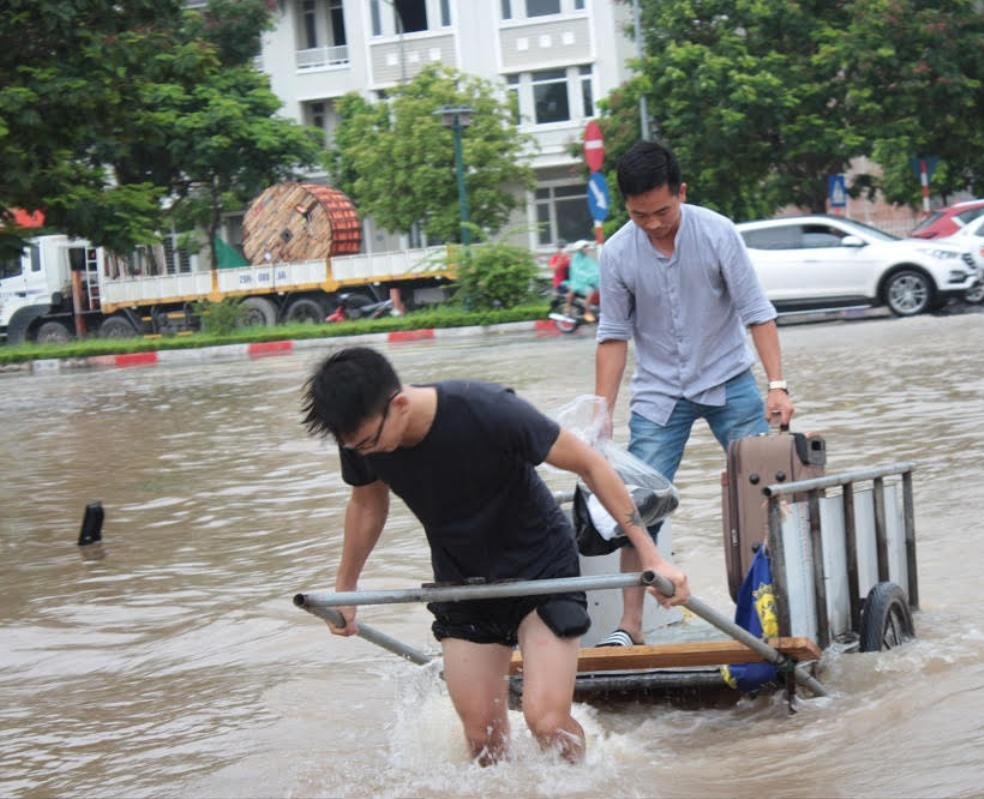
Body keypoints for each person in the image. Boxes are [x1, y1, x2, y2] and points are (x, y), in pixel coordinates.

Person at [300, 347, 689, 765]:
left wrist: (651, 555)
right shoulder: (362, 440)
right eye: (354, 447)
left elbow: (590, 464)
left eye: (369, 443)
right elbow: (367, 506)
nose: (366, 454)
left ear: (398, 404)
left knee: (546, 722)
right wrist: (346, 591)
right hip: (463, 582)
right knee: (483, 741)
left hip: (541, 573)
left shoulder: (486, 410)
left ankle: (588, 784)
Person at [592, 141, 794, 648]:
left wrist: (776, 385)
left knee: (764, 492)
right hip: (660, 391)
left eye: (663, 211)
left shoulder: (717, 233)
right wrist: (602, 412)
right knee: (637, 503)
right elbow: (613, 335)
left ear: (681, 192)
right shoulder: (617, 252)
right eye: (641, 216)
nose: (654, 224)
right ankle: (630, 626)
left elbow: (757, 312)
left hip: (727, 377)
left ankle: (772, 610)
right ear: (627, 208)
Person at [562, 240, 601, 322]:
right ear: (580, 249)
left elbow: (594, 268)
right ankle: (587, 312)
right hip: (578, 282)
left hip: (589, 280)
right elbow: (577, 271)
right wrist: (587, 276)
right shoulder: (576, 258)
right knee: (590, 292)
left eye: (587, 247)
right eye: (585, 247)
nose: (587, 249)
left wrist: (599, 273)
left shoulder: (587, 258)